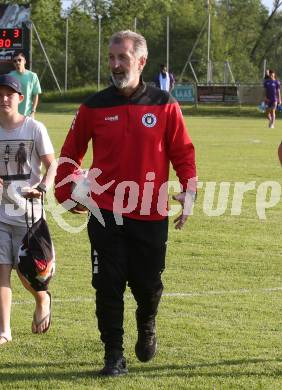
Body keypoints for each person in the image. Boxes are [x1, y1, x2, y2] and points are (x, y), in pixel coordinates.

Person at [55, 30, 196, 376]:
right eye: (112, 58)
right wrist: (68, 193)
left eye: (123, 58)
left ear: (141, 61)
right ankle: (113, 356)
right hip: (105, 212)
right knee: (108, 286)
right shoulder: (93, 106)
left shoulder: (164, 104)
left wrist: (188, 191)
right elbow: (69, 156)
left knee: (147, 286)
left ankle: (147, 323)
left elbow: (183, 152)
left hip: (150, 212)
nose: (116, 65)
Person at [0, 74, 56, 345]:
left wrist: (43, 187)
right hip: (0, 214)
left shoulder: (35, 128)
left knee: (27, 273)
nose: (3, 98)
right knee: (1, 268)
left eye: (9, 94)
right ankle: (4, 331)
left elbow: (52, 164)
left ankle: (41, 298)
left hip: (29, 213)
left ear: (20, 98)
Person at [9, 52, 42, 118]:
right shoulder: (10, 76)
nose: (17, 62)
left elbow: (35, 95)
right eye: (15, 61)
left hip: (28, 114)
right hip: (13, 114)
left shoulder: (32, 76)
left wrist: (33, 111)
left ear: (24, 61)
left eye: (19, 60)